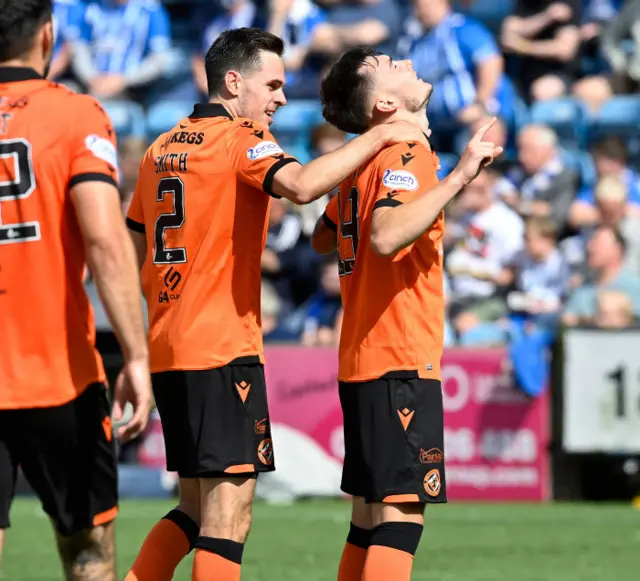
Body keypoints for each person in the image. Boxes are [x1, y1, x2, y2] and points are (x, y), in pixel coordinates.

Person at [123, 27, 425, 581]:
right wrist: (386, 135)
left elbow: (135, 245)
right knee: (227, 520)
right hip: (220, 348)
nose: (281, 98)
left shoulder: (157, 148)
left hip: (170, 344)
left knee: (192, 509)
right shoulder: (240, 140)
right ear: (233, 82)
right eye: (273, 85)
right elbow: (305, 185)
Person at [310, 48, 501, 581]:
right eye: (382, 63)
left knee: (369, 518)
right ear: (386, 104)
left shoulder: (363, 161)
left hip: (363, 358)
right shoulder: (408, 152)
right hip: (398, 358)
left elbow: (323, 235)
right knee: (400, 517)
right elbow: (387, 234)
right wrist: (460, 176)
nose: (397, 57)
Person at [0, 0, 152, 578]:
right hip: (56, 373)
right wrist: (137, 356)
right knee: (87, 550)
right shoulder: (75, 115)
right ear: (46, 36)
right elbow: (106, 240)